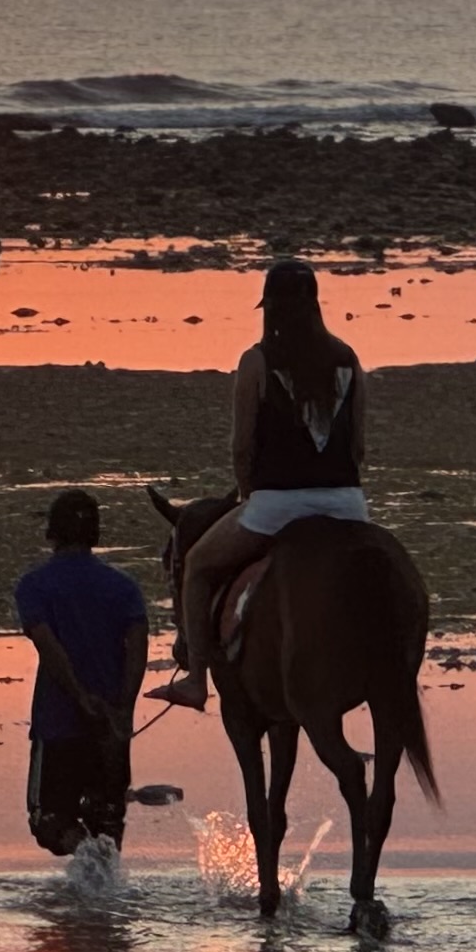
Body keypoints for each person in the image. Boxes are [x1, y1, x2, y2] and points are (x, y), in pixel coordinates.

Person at [158, 259, 368, 711]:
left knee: (195, 566)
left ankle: (195, 680)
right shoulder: (348, 357)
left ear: (269, 307)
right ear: (314, 305)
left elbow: (241, 446)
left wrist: (250, 494)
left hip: (276, 506)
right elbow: (359, 447)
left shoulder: (256, 361)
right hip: (349, 506)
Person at [17, 488, 155, 852]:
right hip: (110, 726)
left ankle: (84, 872)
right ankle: (103, 897)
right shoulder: (124, 587)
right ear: (96, 534)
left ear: (52, 533)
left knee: (47, 821)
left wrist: (79, 695)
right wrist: (124, 706)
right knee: (107, 823)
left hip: (58, 723)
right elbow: (138, 648)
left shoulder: (34, 586)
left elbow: (50, 649)